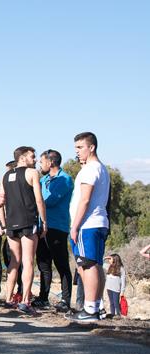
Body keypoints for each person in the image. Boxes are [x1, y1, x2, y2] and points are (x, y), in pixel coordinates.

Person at [67, 131, 110, 323]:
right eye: (75, 148)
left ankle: (91, 309)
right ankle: (95, 306)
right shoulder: (101, 168)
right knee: (94, 264)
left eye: (80, 147)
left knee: (87, 264)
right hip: (98, 223)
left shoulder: (90, 169)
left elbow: (84, 200)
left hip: (88, 224)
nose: (77, 152)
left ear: (91, 147)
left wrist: (75, 226)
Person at [0, 146, 47, 314]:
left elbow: (0, 202)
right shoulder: (32, 173)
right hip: (28, 222)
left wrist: (4, 224)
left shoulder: (5, 176)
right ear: (22, 158)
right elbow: (39, 199)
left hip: (11, 224)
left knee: (14, 262)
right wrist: (44, 221)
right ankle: (25, 301)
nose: (35, 160)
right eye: (32, 157)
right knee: (28, 262)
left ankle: (8, 299)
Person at [35, 149, 74, 312]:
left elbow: (48, 201)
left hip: (57, 227)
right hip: (41, 227)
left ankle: (65, 300)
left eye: (42, 161)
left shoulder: (65, 180)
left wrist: (36, 200)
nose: (39, 164)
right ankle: (43, 298)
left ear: (51, 162)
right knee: (43, 264)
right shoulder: (43, 180)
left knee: (61, 264)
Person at [103, 254, 126, 319]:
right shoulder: (108, 266)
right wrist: (105, 258)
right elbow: (101, 263)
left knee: (116, 303)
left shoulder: (121, 268)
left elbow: (123, 281)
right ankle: (112, 315)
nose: (109, 260)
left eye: (110, 259)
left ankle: (118, 315)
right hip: (109, 288)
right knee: (111, 303)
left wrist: (122, 291)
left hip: (116, 289)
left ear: (115, 259)